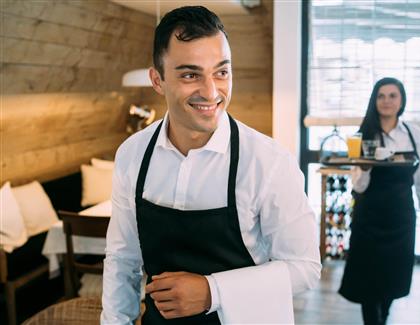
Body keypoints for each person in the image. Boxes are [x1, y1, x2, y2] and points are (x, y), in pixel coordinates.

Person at [101, 6, 321, 324]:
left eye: (221, 72)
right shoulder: (132, 155)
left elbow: (305, 268)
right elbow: (123, 260)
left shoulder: (269, 163)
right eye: (190, 74)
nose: (211, 91)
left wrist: (211, 291)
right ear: (157, 80)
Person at [338, 77, 420, 325]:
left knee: (393, 277)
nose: (387, 101)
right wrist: (364, 166)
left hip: (400, 218)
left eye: (392, 95)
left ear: (401, 100)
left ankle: (384, 316)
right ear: (374, 101)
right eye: (381, 96)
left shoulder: (413, 133)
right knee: (368, 281)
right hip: (369, 218)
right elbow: (359, 186)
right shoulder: (362, 135)